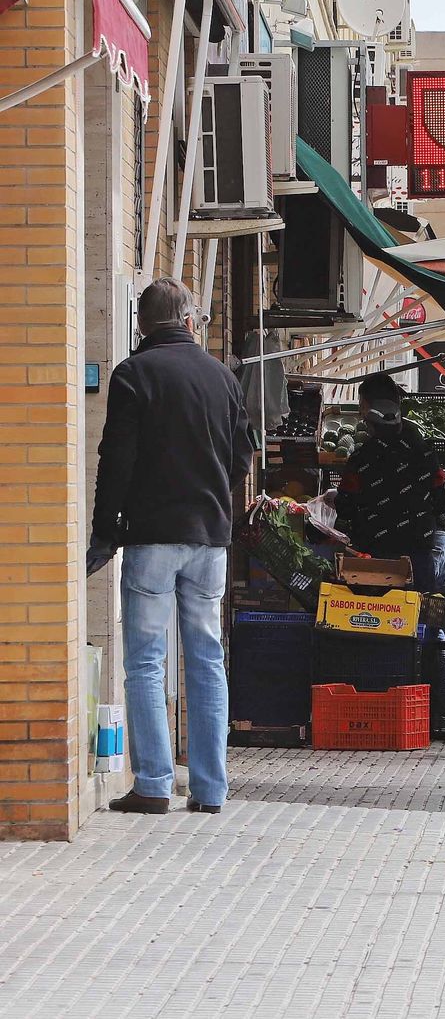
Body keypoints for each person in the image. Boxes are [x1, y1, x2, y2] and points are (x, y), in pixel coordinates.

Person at [89, 278, 252, 815]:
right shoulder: (223, 378)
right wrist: (212, 501)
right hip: (210, 540)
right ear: (190, 320)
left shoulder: (134, 374)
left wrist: (105, 533)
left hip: (152, 538)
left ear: (140, 324)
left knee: (145, 661)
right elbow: (242, 459)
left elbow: (117, 461)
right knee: (207, 659)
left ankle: (154, 784)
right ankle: (210, 790)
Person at [334, 373, 445, 595]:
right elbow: (441, 501)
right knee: (420, 620)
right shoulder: (425, 451)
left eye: (362, 405)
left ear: (370, 408)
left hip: (374, 562)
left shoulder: (360, 459)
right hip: (419, 558)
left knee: (377, 622)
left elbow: (345, 507)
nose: (360, 412)